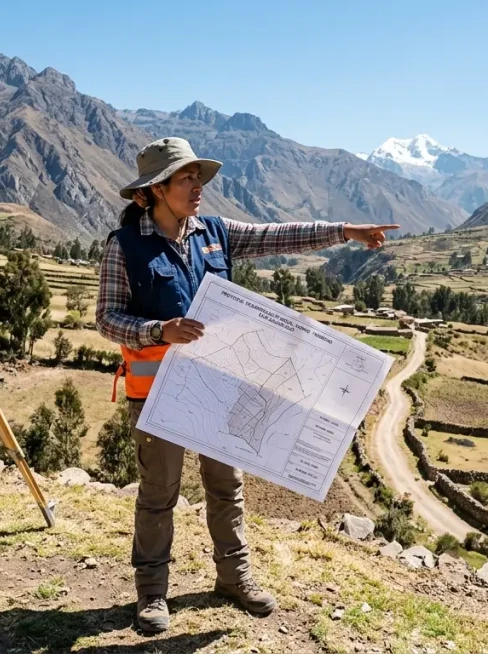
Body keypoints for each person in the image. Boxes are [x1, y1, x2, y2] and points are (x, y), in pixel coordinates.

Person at [95, 136, 397, 634]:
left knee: (227, 488)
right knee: (158, 494)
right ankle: (151, 594)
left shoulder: (214, 233)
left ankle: (233, 579)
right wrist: (157, 332)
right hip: (157, 395)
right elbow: (106, 319)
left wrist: (344, 230)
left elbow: (278, 236)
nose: (198, 187)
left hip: (219, 388)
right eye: (186, 179)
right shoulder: (124, 246)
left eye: (198, 177)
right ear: (154, 191)